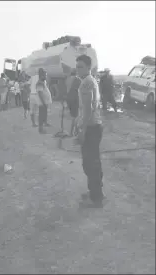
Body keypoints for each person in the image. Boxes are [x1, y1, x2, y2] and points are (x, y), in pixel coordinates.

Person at [75, 54, 105, 208]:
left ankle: (96, 198)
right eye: (77, 66)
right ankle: (95, 191)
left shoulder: (86, 83)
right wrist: (77, 122)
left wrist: (82, 131)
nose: (77, 69)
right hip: (94, 125)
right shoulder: (90, 80)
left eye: (80, 66)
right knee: (94, 161)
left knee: (89, 163)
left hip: (91, 127)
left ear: (88, 67)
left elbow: (88, 110)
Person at [36, 68, 52, 134]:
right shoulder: (39, 83)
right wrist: (43, 102)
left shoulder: (43, 82)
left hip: (45, 102)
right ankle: (40, 129)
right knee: (41, 115)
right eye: (45, 75)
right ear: (41, 75)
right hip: (42, 102)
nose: (46, 76)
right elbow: (40, 94)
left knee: (44, 114)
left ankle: (45, 123)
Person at [66, 69, 81, 136]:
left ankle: (76, 131)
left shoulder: (67, 79)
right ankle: (72, 132)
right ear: (76, 73)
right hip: (74, 98)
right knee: (75, 116)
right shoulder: (77, 79)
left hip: (68, 98)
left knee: (73, 115)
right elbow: (79, 89)